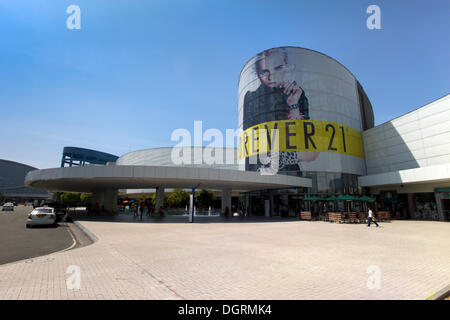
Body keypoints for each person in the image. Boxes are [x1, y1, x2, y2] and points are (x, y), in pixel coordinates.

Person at [242, 48, 319, 174]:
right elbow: (250, 142)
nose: (271, 77)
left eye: (278, 68)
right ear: (257, 73)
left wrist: (293, 105)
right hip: (260, 169)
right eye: (264, 71)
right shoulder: (250, 97)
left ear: (286, 67)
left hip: (290, 172)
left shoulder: (297, 94)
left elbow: (306, 144)